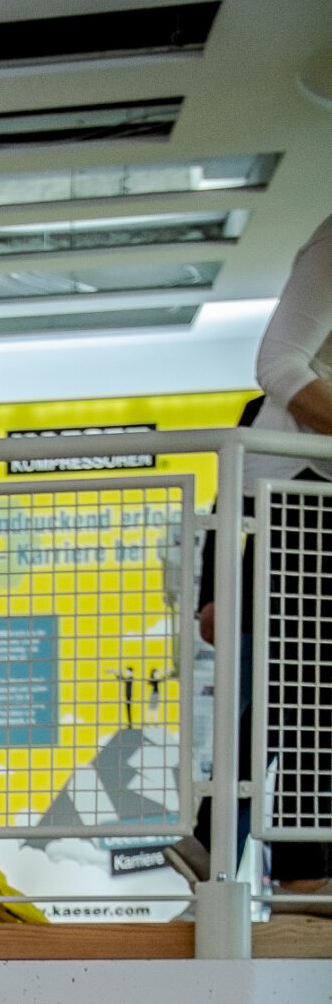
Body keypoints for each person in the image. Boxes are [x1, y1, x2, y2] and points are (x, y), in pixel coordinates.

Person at [190, 220, 332, 889]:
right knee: (301, 700)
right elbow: (277, 364)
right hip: (299, 504)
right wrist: (210, 591)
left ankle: (219, 848)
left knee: (290, 701)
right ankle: (297, 874)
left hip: (300, 507)